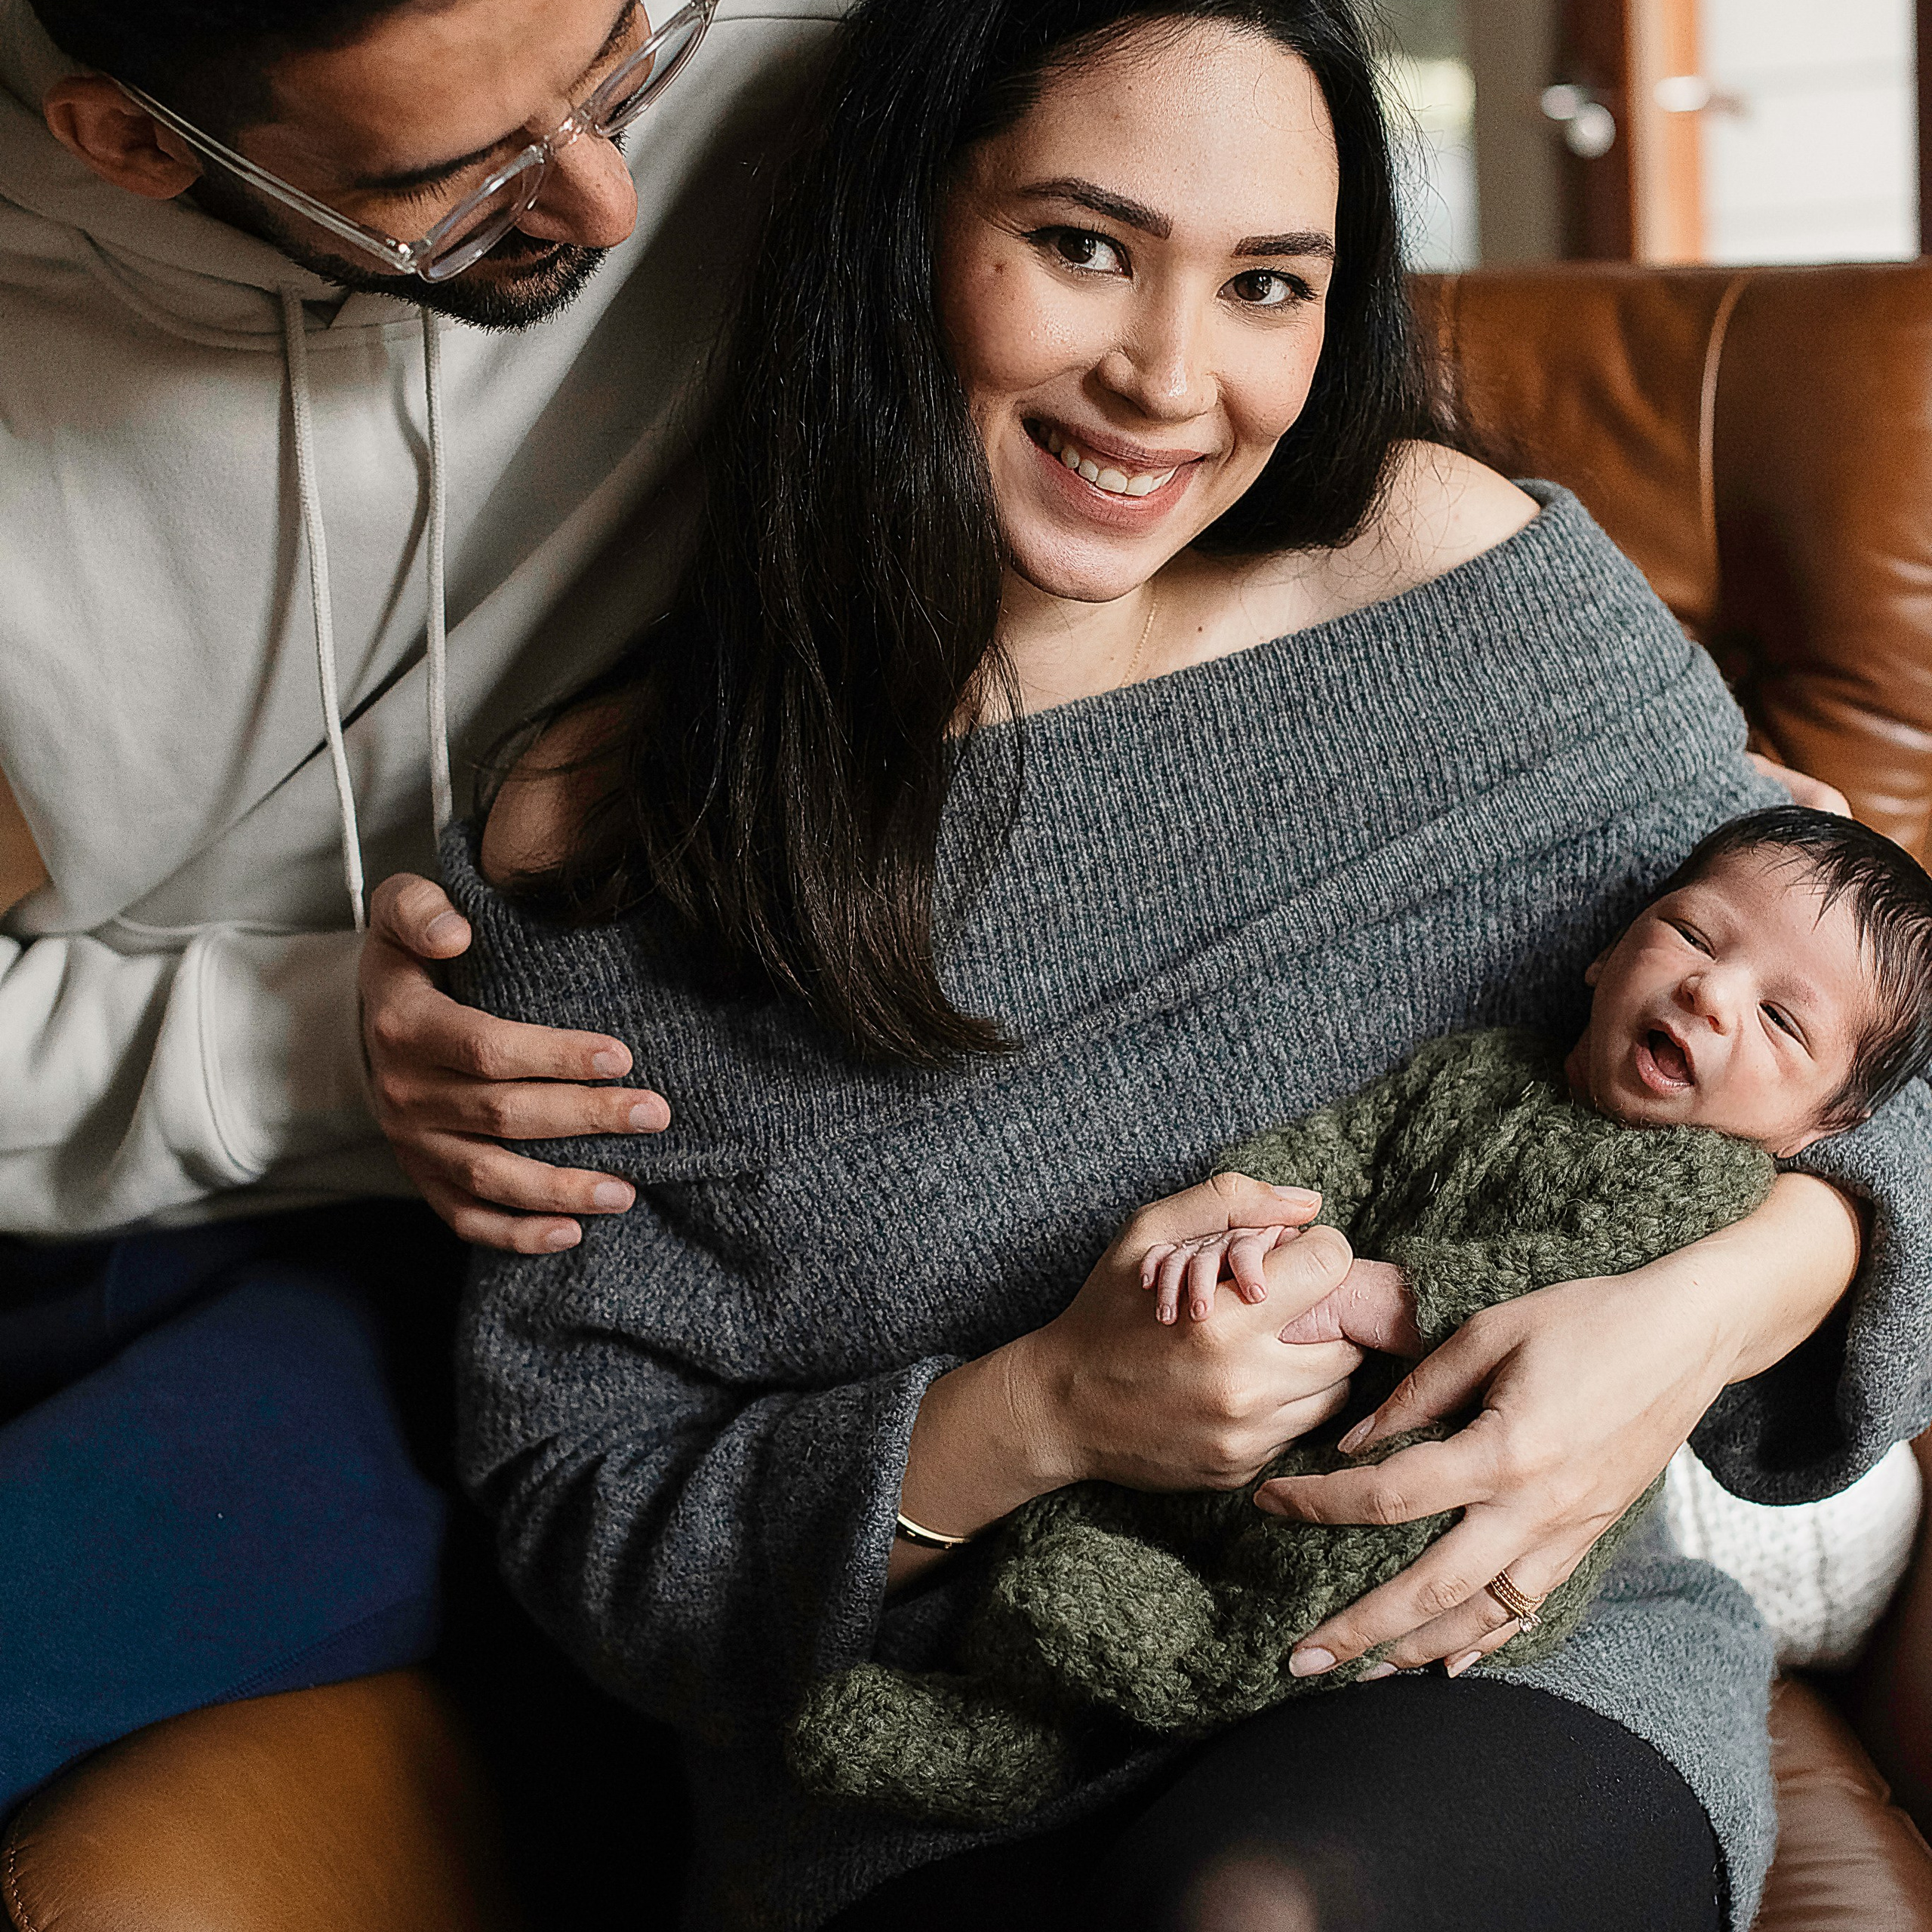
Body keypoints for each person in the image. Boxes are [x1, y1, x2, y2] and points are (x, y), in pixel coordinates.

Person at [449, 1, 1932, 1927]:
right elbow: (588, 1518)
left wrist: (1710, 1308)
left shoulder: (1458, 586)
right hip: (939, 1771)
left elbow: (1885, 1035)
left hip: (1466, 1669)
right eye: (1082, 246)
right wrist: (1044, 1411)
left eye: (1264, 285)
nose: (1168, 378)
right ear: (896, 228)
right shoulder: (613, 835)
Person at [0, 0, 853, 1821]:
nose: (607, 199)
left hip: (529, 1253)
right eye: (453, 178)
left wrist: (1642, 1304)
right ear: (133, 145)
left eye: (630, 55)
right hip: (114, 1160)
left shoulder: (819, 57)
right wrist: (324, 1042)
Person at [786, 804, 1932, 1827]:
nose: (1711, 993)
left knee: (1389, 1546)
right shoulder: (1485, 1067)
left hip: (1460, 1476)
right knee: (1091, 1511)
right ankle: (1008, 1726)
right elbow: (1346, 1145)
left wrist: (1369, 1290)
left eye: (1783, 1022)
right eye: (1693, 935)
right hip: (1265, 1421)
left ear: (1820, 1132)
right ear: (1604, 952)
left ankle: (1226, 1664)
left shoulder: (1711, 1188)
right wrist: (1253, 1218)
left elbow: (1561, 1291)